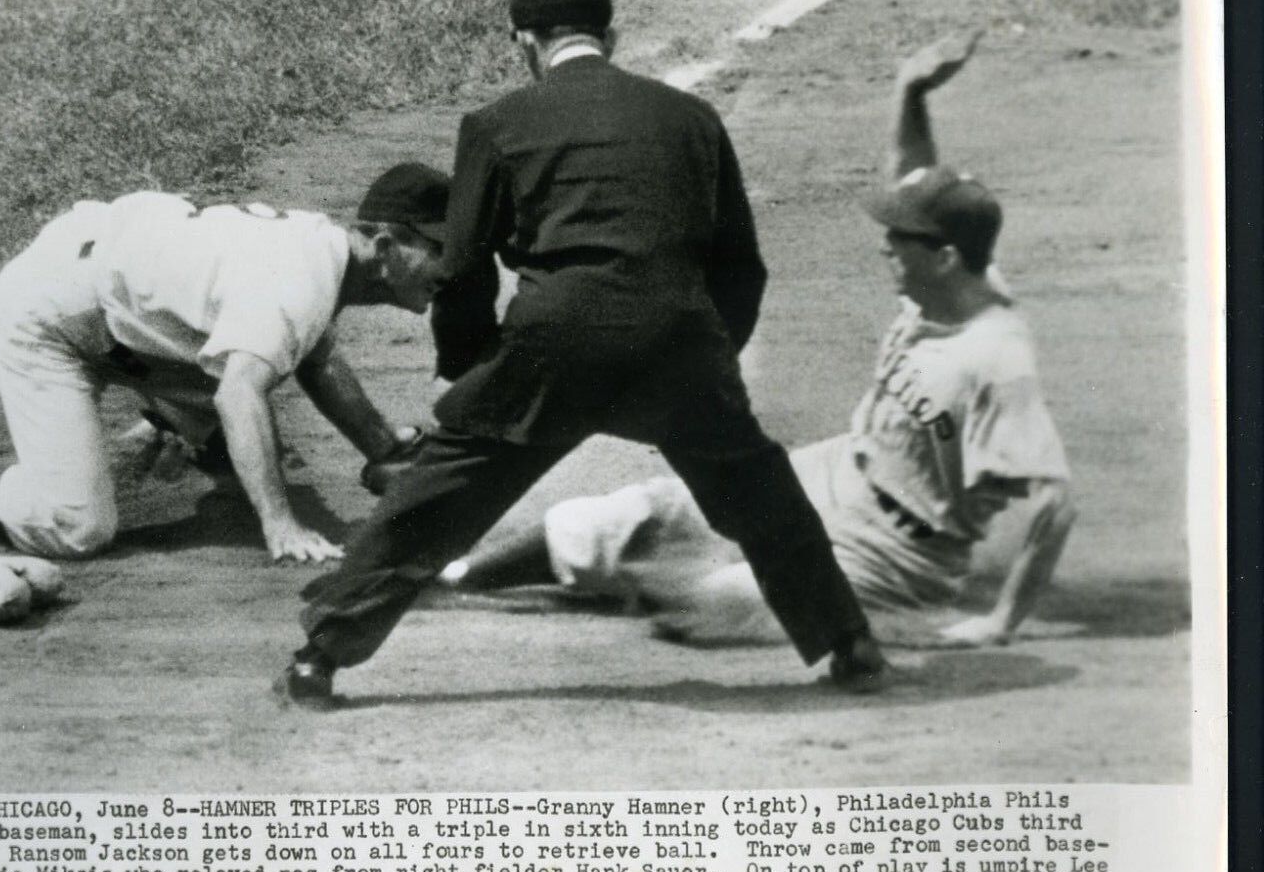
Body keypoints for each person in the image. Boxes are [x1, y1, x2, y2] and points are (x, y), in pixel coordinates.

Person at [277, 0, 887, 708]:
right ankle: (847, 643)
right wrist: (711, 358)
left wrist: (471, 376)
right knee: (757, 488)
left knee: (435, 501)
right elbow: (740, 267)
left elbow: (464, 269)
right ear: (611, 36)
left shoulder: (497, 123)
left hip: (551, 344)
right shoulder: (692, 117)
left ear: (524, 44)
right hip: (678, 341)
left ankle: (320, 659)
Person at [441, 33, 1076, 649]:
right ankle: (451, 580)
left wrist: (1001, 622)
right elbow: (915, 179)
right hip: (829, 476)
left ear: (942, 257)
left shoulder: (996, 357)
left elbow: (1055, 502)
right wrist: (911, 91)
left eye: (901, 240)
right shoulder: (953, 278)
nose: (886, 245)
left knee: (718, 600)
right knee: (638, 510)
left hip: (898, 551)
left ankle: (668, 586)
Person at [0, 164, 451, 564]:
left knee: (262, 371)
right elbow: (240, 391)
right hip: (47, 317)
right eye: (438, 249)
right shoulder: (297, 282)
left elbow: (318, 355)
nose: (452, 269)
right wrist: (281, 525)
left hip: (111, 286)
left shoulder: (321, 249)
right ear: (382, 243)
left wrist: (382, 449)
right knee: (76, 526)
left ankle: (180, 426)